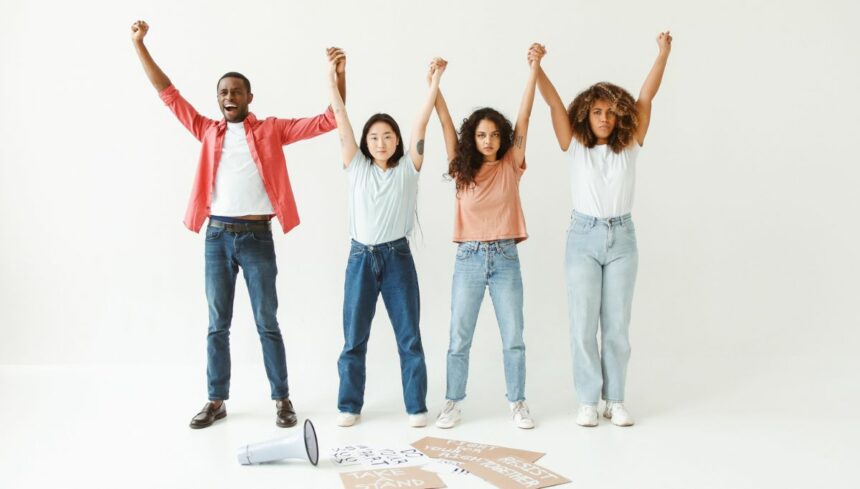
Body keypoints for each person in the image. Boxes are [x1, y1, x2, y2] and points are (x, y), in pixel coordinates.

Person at [130, 20, 346, 429]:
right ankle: (216, 400)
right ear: (218, 100)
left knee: (267, 321)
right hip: (216, 237)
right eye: (223, 93)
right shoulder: (207, 130)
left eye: (236, 91)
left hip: (257, 237)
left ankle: (282, 399)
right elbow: (168, 94)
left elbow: (328, 120)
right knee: (217, 325)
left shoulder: (271, 130)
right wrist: (140, 46)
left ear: (249, 97)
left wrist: (338, 77)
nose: (229, 97)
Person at [531, 32, 673, 427]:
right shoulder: (574, 145)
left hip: (623, 239)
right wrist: (537, 67)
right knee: (582, 322)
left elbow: (647, 97)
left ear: (620, 116)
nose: (605, 118)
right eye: (597, 112)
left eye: (611, 112)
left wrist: (662, 54)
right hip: (583, 238)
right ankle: (588, 400)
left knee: (616, 324)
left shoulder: (630, 146)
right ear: (586, 115)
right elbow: (553, 103)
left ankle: (616, 398)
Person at [327, 50, 446, 428]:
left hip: (397, 259)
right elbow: (341, 120)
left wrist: (435, 83)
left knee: (409, 335)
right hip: (361, 258)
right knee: (353, 337)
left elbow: (422, 124)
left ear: (397, 141)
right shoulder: (356, 167)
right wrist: (332, 78)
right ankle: (349, 405)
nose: (381, 142)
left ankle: (416, 406)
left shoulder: (409, 169)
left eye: (388, 136)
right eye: (374, 137)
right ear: (365, 142)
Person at [431, 45, 542, 430]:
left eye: (495, 134)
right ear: (472, 139)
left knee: (513, 335)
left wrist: (534, 69)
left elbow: (526, 115)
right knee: (459, 336)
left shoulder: (511, 164)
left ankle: (518, 402)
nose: (489, 140)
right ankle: (452, 402)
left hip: (506, 258)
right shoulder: (462, 171)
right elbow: (445, 123)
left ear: (503, 138)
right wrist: (435, 83)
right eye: (482, 135)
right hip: (470, 259)